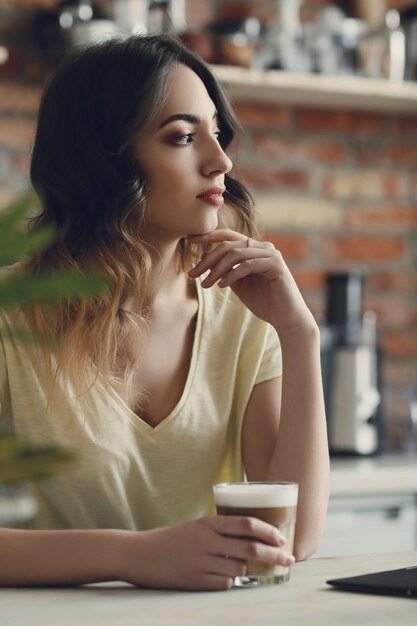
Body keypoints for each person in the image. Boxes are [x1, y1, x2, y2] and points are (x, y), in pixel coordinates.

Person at [0, 33, 329, 590]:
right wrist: (130, 557)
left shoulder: (245, 318)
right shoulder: (12, 317)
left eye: (218, 135)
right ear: (104, 159)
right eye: (182, 137)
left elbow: (290, 541)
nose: (221, 160)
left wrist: (299, 335)